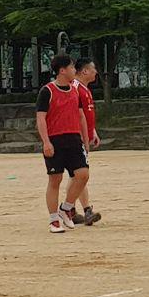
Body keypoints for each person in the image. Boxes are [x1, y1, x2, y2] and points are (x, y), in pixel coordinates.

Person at [36, 53, 90, 233]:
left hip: (74, 139)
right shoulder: (47, 91)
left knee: (83, 175)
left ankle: (66, 208)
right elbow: (41, 119)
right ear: (62, 70)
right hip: (55, 140)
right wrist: (46, 142)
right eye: (72, 67)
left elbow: (81, 116)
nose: (75, 70)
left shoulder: (75, 90)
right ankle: (54, 220)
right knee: (55, 180)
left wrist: (85, 139)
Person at [68, 57, 103, 226]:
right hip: (76, 137)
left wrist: (92, 131)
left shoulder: (85, 89)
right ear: (84, 71)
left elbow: (87, 114)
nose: (95, 72)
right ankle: (83, 209)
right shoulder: (75, 87)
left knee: (76, 175)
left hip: (82, 136)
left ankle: (71, 210)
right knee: (80, 174)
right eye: (93, 69)